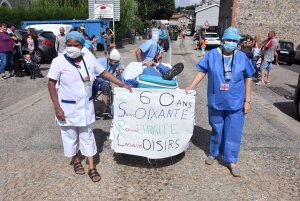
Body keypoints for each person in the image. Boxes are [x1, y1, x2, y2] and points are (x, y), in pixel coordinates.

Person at [47, 31, 131, 182]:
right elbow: (51, 84)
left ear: (82, 45)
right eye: (69, 45)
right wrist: (57, 107)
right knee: (70, 137)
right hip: (67, 108)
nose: (72, 47)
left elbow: (105, 73)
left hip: (85, 107)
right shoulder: (58, 62)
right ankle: (76, 160)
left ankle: (92, 167)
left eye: (76, 45)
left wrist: (123, 84)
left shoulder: (88, 58)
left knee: (87, 137)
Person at [185, 27, 255, 177]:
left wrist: (247, 101)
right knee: (217, 128)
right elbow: (202, 71)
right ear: (222, 41)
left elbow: (248, 79)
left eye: (233, 41)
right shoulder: (212, 55)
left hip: (236, 102)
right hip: (216, 100)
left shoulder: (242, 57)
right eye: (228, 40)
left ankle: (232, 161)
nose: (230, 43)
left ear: (237, 42)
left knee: (234, 131)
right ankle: (214, 152)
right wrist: (191, 86)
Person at [92, 49, 124, 115]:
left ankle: (105, 109)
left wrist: (119, 71)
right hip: (95, 79)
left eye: (115, 61)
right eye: (112, 61)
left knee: (106, 85)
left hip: (104, 81)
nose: (114, 62)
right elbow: (91, 70)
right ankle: (91, 109)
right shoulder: (100, 61)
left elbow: (124, 67)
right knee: (94, 87)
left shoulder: (116, 64)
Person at [116, 61, 184, 88]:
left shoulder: (137, 74)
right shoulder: (145, 68)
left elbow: (124, 83)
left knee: (136, 80)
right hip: (153, 76)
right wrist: (155, 64)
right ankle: (166, 72)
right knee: (163, 72)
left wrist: (118, 74)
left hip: (144, 80)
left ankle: (166, 74)